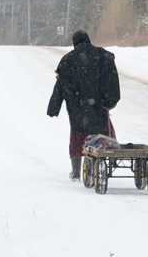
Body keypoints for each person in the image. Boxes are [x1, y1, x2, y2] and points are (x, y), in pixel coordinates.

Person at [47, 30, 120, 180]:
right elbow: (112, 80)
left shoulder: (67, 60)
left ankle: (76, 172)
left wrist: (54, 107)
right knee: (101, 136)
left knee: (77, 138)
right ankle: (100, 166)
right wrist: (110, 101)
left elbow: (60, 86)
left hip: (77, 110)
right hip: (99, 107)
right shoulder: (103, 56)